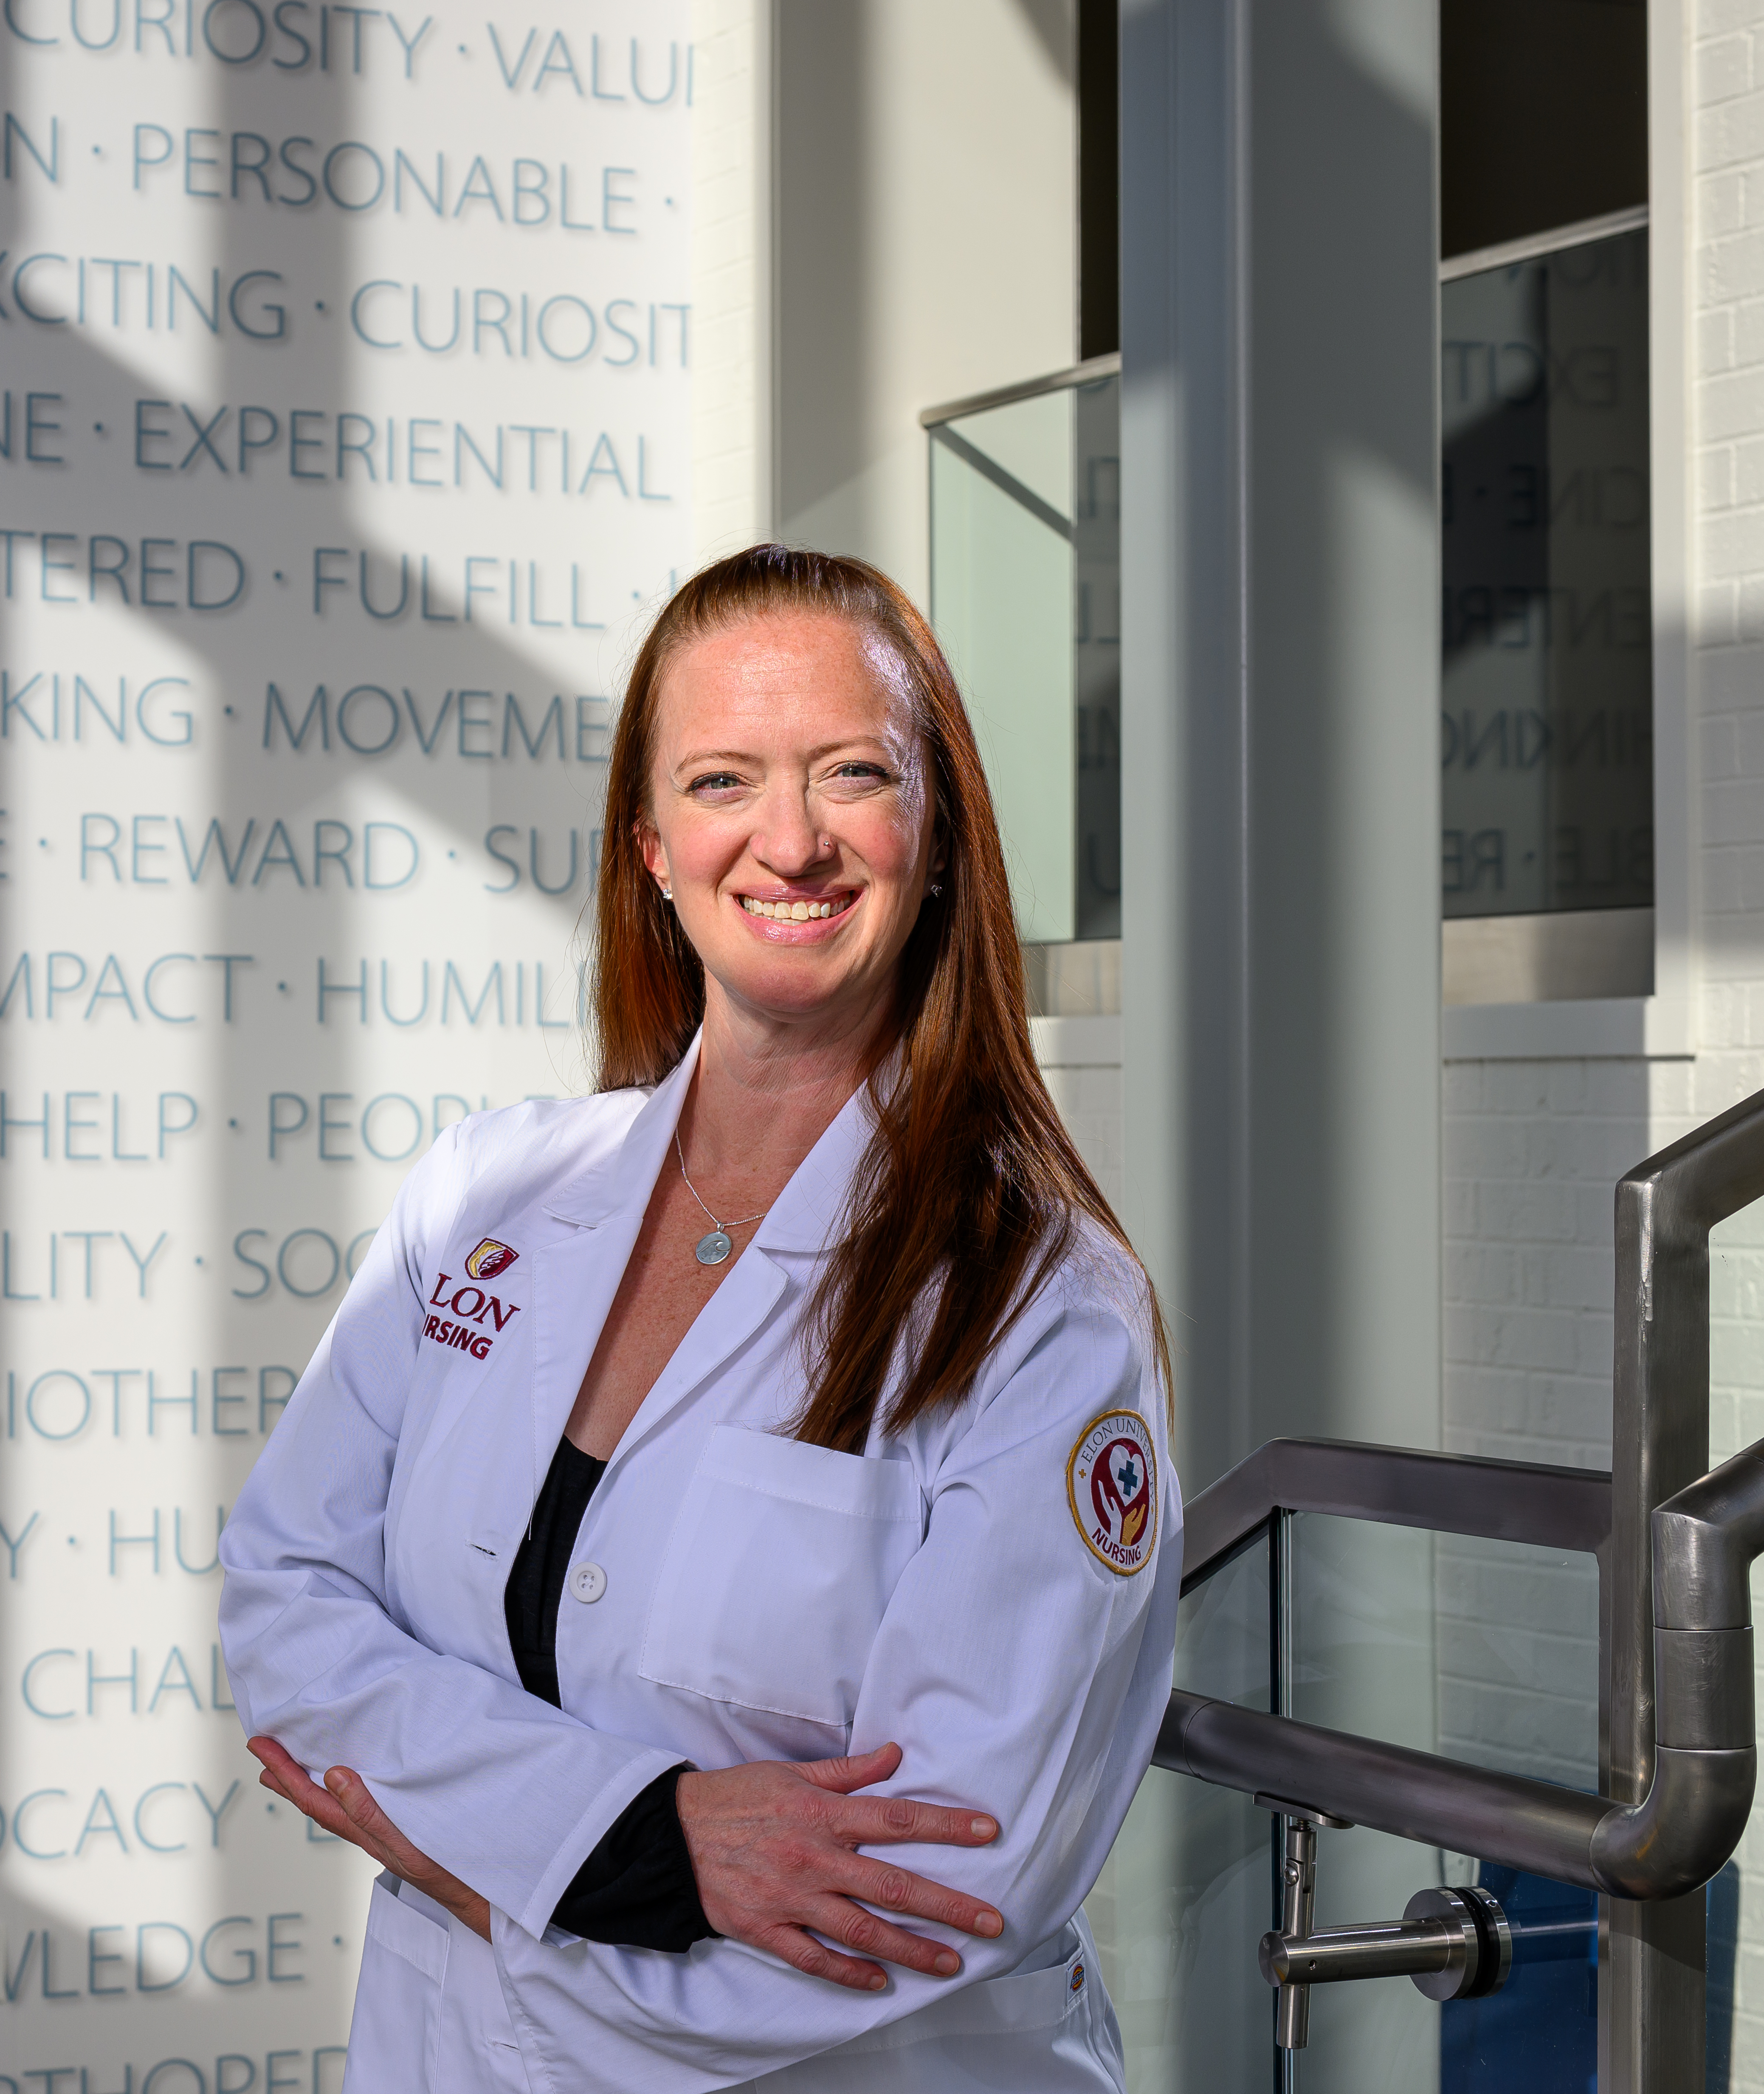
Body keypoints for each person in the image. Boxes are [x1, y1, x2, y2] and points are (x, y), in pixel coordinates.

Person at [217, 545, 1180, 2091]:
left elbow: (931, 1899)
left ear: (935, 836)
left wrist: (476, 1867)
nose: (789, 841)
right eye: (725, 779)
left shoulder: (1040, 1311)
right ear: (651, 844)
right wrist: (649, 1842)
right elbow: (287, 1601)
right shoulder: (486, 1198)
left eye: (852, 773)